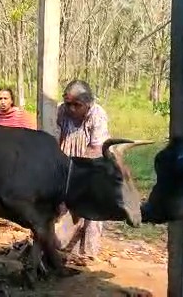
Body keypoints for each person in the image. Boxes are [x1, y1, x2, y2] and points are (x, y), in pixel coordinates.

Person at [53, 79, 110, 264]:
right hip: (66, 164)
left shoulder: (97, 115)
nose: (71, 109)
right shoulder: (61, 110)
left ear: (88, 103)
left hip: (91, 166)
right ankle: (64, 246)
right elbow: (56, 136)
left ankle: (88, 253)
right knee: (62, 207)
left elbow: (96, 148)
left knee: (92, 210)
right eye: (68, 103)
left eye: (76, 105)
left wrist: (79, 173)